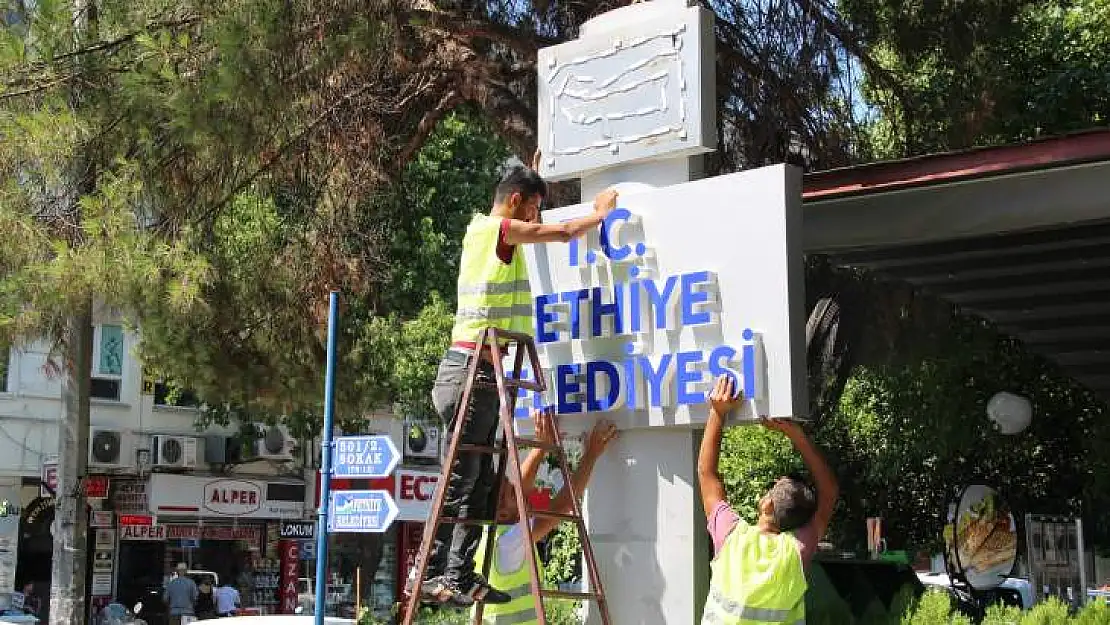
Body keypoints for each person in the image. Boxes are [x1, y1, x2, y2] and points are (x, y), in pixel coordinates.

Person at [414, 151, 619, 608]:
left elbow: (529, 210)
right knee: (460, 482)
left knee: (480, 482)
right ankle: (434, 573)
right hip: (472, 372)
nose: (536, 219)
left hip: (479, 373)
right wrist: (599, 214)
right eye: (532, 209)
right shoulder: (500, 230)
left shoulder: (485, 233)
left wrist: (533, 173)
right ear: (515, 203)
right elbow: (563, 233)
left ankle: (451, 574)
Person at [696, 375, 839, 625]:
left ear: (767, 505)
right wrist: (798, 436)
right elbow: (830, 493)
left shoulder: (732, 537)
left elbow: (707, 474)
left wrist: (717, 412)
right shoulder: (797, 551)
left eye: (771, 489)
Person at [470, 409, 618, 624]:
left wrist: (540, 446)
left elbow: (521, 489)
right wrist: (592, 454)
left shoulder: (487, 532)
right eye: (512, 493)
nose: (522, 491)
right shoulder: (509, 541)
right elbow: (563, 505)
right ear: (503, 512)